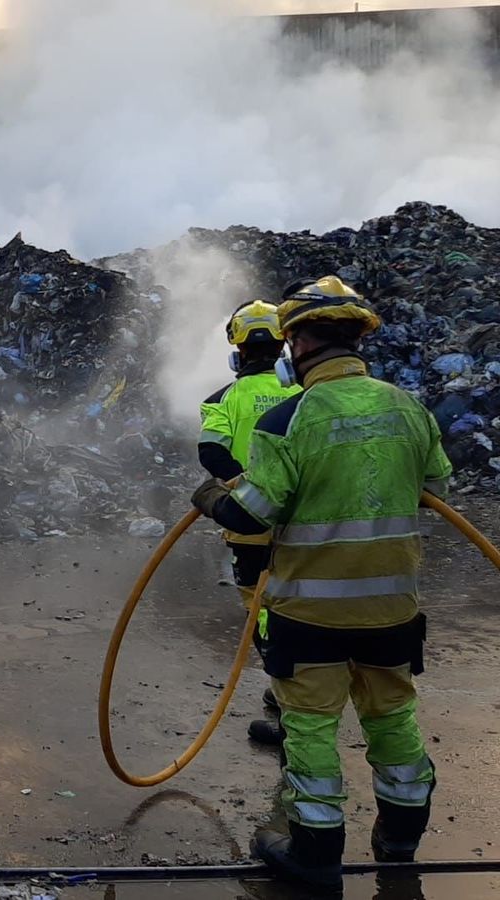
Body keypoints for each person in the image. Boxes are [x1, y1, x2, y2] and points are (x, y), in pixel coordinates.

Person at [192, 276, 450, 893]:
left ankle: (315, 854)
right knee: (393, 719)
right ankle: (398, 841)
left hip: (310, 614)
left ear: (300, 340)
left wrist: (208, 498)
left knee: (308, 726)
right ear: (359, 336)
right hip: (392, 609)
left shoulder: (289, 419)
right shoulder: (408, 408)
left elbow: (252, 512)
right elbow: (435, 487)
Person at [198, 300, 302, 748]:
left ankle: (287, 700)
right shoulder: (306, 394)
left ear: (237, 351)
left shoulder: (223, 398)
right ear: (282, 345)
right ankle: (307, 691)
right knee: (305, 601)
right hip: (304, 525)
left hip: (250, 523)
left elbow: (211, 453)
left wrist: (240, 483)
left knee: (262, 612)